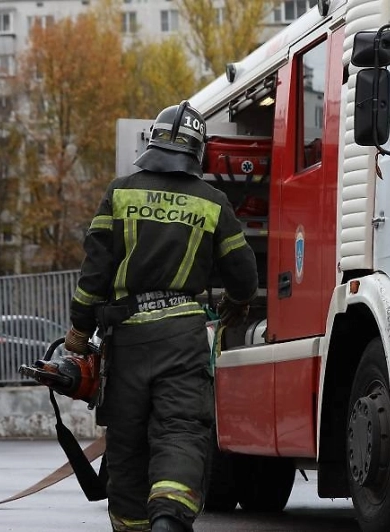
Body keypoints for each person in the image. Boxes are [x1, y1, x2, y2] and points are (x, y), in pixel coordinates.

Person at [65, 100, 258, 532]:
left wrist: (78, 333)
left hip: (127, 342)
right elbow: (243, 272)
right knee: (181, 430)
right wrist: (239, 303)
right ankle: (170, 519)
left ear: (152, 144)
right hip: (183, 341)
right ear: (197, 152)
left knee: (128, 442)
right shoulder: (213, 202)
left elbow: (92, 275)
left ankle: (132, 525)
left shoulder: (119, 193)